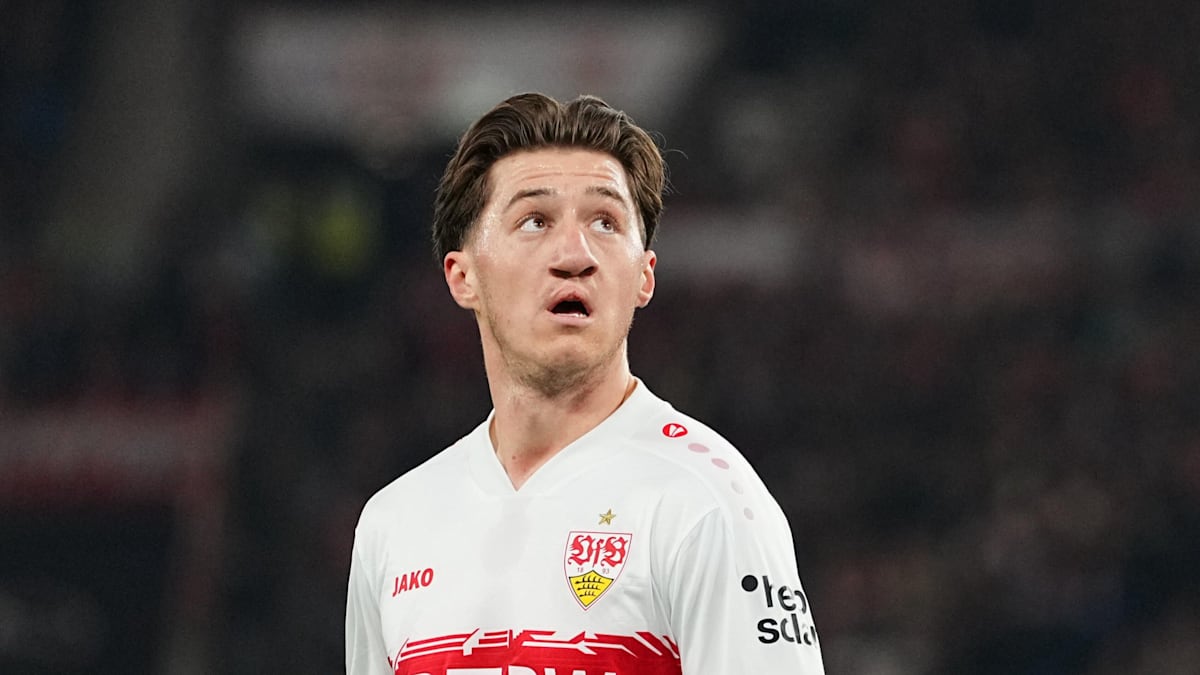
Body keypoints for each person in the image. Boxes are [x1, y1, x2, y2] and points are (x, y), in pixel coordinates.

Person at [345, 92, 826, 675]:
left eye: (605, 222)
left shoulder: (708, 503)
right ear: (462, 275)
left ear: (644, 276)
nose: (575, 254)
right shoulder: (394, 525)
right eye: (535, 221)